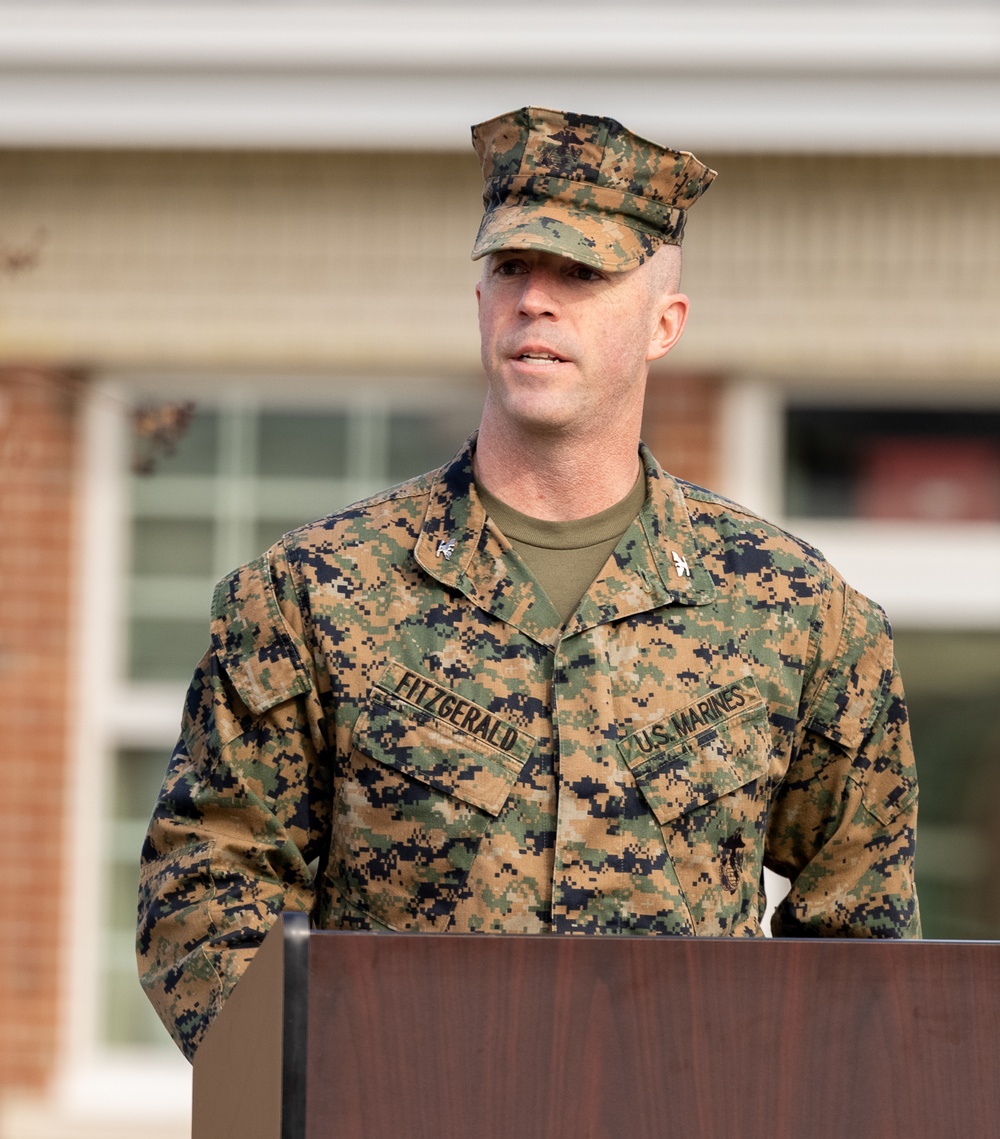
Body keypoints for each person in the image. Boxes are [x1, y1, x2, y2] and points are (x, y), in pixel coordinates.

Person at [138, 107, 919, 1060]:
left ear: (664, 323)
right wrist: (323, 1099)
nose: (535, 302)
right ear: (479, 304)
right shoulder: (314, 595)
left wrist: (766, 1138)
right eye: (512, 269)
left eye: (581, 274)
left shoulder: (796, 613)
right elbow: (207, 885)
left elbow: (863, 941)